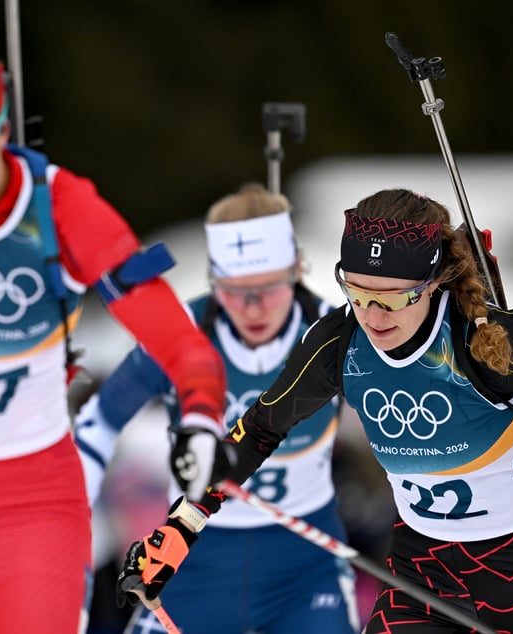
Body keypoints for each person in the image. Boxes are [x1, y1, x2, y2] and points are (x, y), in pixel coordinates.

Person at [117, 188, 513, 633]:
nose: (372, 315)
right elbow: (259, 431)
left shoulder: (490, 340)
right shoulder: (339, 344)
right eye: (357, 292)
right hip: (425, 569)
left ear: (433, 283)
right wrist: (184, 526)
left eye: (392, 298)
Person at [0, 27, 225, 633]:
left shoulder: (59, 206)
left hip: (27, 507)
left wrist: (200, 417)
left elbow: (175, 338)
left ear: (0, 132)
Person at [76, 183, 359, 633]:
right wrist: (65, 517)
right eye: (233, 289)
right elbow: (99, 421)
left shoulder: (335, 334)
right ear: (214, 281)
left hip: (302, 565)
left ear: (296, 269)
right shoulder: (182, 332)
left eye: (269, 287)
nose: (253, 307)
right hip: (190, 560)